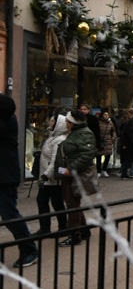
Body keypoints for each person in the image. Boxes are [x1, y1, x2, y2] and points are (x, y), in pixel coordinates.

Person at [0, 93, 39, 267]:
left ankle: (29, 249)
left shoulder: (6, 119)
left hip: (4, 177)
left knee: (9, 215)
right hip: (5, 174)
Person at [55, 108, 99, 245]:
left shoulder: (84, 134)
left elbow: (87, 154)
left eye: (67, 121)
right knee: (72, 202)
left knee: (72, 204)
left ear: (73, 122)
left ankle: (74, 235)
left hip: (75, 174)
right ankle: (84, 230)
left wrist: (70, 168)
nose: (66, 123)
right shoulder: (74, 133)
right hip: (70, 173)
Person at [37, 114, 68, 236]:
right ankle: (45, 228)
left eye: (52, 121)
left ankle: (62, 227)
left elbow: (55, 161)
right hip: (47, 176)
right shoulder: (52, 137)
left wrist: (45, 175)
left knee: (56, 202)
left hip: (53, 178)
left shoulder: (59, 140)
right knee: (42, 201)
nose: (50, 122)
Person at [78, 102, 102, 172]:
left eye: (84, 109)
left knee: (89, 158)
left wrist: (98, 145)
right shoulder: (77, 119)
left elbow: (97, 132)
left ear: (88, 110)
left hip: (90, 142)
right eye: (81, 109)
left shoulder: (93, 119)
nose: (83, 111)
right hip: (80, 141)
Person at [97, 108, 116, 176]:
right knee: (99, 156)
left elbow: (113, 130)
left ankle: (104, 169)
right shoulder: (98, 122)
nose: (106, 116)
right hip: (100, 139)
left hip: (108, 140)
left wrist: (113, 137)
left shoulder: (110, 122)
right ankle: (98, 170)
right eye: (105, 115)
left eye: (107, 115)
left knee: (108, 155)